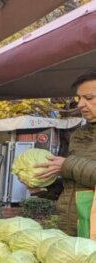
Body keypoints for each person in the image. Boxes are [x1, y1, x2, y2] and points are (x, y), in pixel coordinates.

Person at [37, 71, 96, 235]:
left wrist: (67, 165)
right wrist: (44, 186)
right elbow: (73, 186)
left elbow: (70, 167)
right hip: (72, 232)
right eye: (79, 98)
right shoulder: (78, 134)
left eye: (89, 98)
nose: (80, 105)